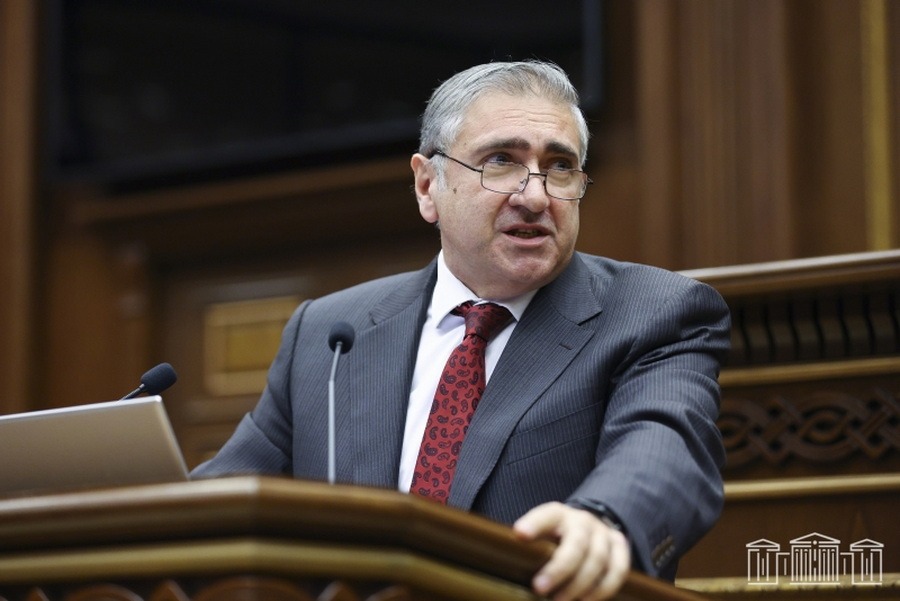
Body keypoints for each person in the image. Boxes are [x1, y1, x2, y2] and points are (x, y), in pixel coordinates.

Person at [193, 60, 730, 600]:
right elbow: (222, 499)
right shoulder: (329, 333)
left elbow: (665, 449)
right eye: (501, 161)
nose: (536, 197)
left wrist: (604, 519)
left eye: (560, 166)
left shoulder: (652, 313)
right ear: (428, 185)